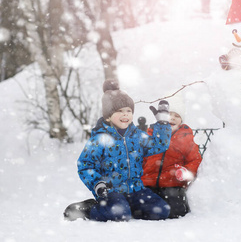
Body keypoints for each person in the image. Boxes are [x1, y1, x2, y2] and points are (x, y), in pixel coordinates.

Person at [64, 79, 172, 222]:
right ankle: (90, 209)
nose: (125, 115)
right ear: (108, 115)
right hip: (110, 191)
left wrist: (162, 123)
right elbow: (85, 165)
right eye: (120, 111)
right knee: (119, 214)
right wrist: (97, 183)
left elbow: (160, 145)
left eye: (128, 111)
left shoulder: (137, 135)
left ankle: (128, 206)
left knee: (161, 210)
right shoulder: (100, 139)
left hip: (136, 190)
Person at [141, 96, 202, 218]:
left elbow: (195, 160)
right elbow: (140, 157)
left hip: (172, 184)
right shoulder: (151, 135)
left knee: (176, 211)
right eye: (169, 114)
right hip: (148, 182)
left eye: (177, 116)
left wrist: (185, 171)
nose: (172, 118)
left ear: (181, 121)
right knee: (141, 209)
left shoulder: (185, 138)